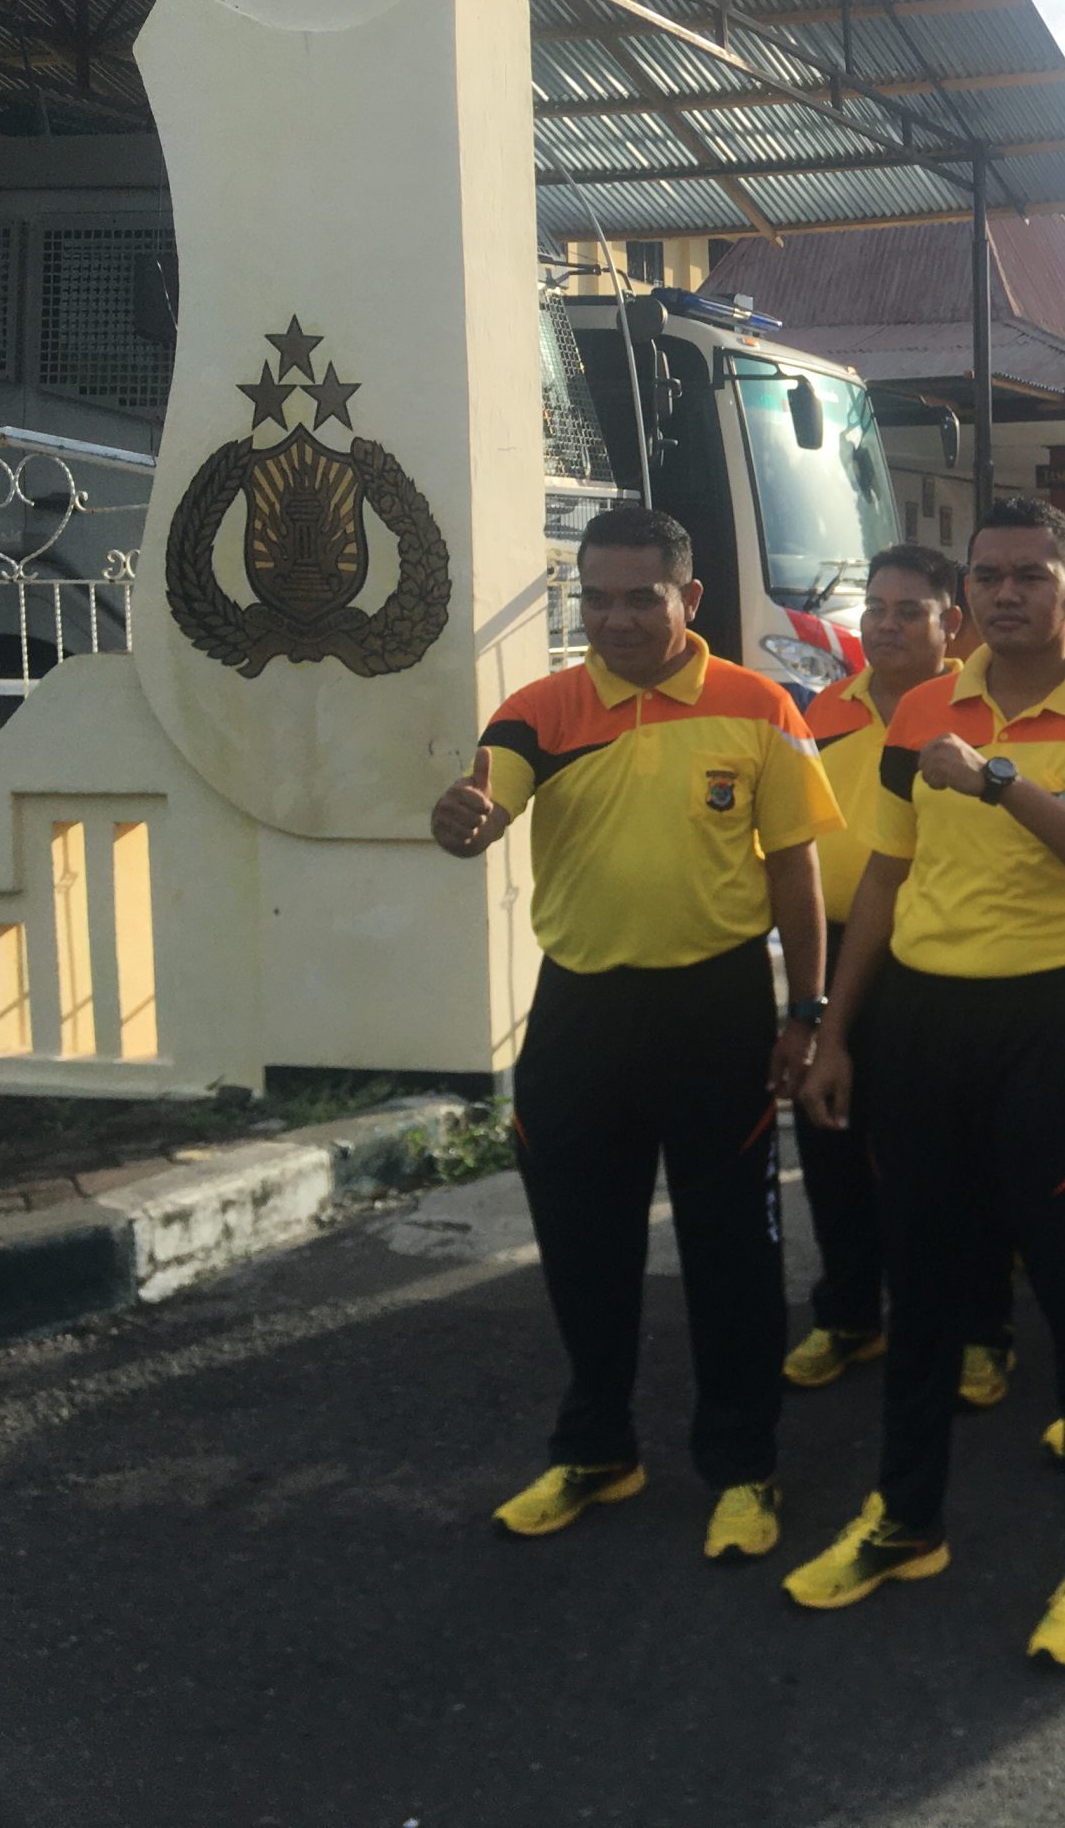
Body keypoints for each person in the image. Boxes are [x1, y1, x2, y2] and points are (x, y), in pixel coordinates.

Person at [786, 497, 1065, 1673]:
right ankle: (906, 1519)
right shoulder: (919, 709)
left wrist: (1003, 781)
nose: (1006, 593)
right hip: (923, 1026)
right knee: (924, 1288)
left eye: (1030, 576)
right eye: (989, 577)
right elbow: (887, 882)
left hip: (1050, 1026)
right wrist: (833, 1029)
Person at [433, 505, 841, 1563]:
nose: (615, 619)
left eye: (639, 597)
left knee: (732, 1257)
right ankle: (597, 1446)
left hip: (717, 1010)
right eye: (597, 598)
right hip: (580, 1013)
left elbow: (795, 867)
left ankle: (745, 1468)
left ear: (687, 598)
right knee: (582, 1245)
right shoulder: (537, 710)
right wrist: (463, 821)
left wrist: (807, 1011)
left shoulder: (759, 707)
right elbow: (489, 802)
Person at [784, 545, 994, 1395]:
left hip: (939, 957)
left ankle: (978, 1327)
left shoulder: (981, 719)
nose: (887, 623)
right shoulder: (815, 713)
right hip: (834, 944)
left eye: (911, 610)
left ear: (954, 624)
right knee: (830, 1136)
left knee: (951, 1159)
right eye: (875, 607)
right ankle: (847, 1315)